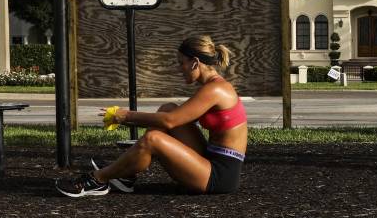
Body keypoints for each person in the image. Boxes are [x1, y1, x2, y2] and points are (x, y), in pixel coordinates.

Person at [55, 35, 247, 197]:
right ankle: (126, 175)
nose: (179, 68)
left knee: (153, 139)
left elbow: (169, 122)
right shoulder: (213, 86)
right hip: (210, 158)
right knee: (168, 108)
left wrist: (126, 116)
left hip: (220, 176)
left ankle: (98, 179)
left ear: (195, 63)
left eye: (181, 63)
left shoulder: (216, 90)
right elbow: (174, 117)